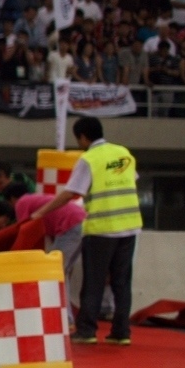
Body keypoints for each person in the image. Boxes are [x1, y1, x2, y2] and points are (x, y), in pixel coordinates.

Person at [31, 116, 140, 345]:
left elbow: (71, 193)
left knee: (94, 281)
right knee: (121, 282)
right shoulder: (124, 153)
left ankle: (87, 331)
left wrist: (41, 212)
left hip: (101, 228)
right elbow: (130, 182)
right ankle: (121, 333)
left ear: (82, 137)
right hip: (129, 226)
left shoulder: (89, 159)